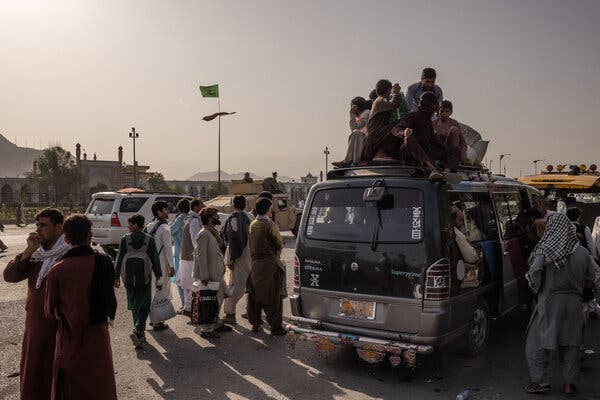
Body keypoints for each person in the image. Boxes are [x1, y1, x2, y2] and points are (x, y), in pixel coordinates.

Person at [524, 213, 599, 396]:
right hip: (574, 304)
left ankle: (541, 382)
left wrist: (536, 288)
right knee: (571, 344)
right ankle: (569, 384)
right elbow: (593, 277)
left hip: (549, 303)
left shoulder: (545, 249)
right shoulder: (582, 252)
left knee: (537, 343)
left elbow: (534, 271)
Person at [44, 214, 117, 400]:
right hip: (98, 339)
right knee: (101, 389)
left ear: (66, 239)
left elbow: (49, 312)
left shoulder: (57, 271)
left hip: (70, 342)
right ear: (90, 236)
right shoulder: (103, 262)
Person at [3, 208, 69, 400]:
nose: (38, 230)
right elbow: (10, 276)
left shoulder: (67, 255)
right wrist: (28, 250)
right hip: (35, 329)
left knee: (56, 378)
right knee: (33, 376)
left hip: (57, 329)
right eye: (37, 225)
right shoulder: (37, 256)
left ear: (59, 228)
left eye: (44, 225)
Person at [114, 214, 163, 347]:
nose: (128, 227)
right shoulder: (149, 240)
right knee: (144, 305)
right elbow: (155, 259)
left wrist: (116, 276)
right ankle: (139, 330)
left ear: (136, 225)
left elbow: (119, 259)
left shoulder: (125, 239)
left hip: (128, 278)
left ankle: (139, 333)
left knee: (134, 304)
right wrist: (159, 275)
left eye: (130, 224)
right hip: (145, 278)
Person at [246, 197, 287, 335]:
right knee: (273, 297)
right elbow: (279, 242)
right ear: (268, 209)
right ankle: (275, 327)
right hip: (270, 265)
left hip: (256, 266)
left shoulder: (253, 224)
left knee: (255, 296)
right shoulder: (270, 224)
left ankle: (255, 323)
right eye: (270, 208)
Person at [398, 91, 462, 175]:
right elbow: (396, 129)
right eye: (433, 107)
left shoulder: (428, 121)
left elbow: (433, 139)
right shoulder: (412, 116)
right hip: (412, 152)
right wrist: (404, 132)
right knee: (409, 138)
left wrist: (447, 149)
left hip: (426, 152)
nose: (434, 111)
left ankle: (447, 172)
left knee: (455, 149)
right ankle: (431, 168)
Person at [192, 207, 232, 338]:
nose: (217, 218)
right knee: (209, 301)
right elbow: (201, 256)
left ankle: (216, 323)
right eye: (215, 216)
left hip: (215, 272)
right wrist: (204, 276)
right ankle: (207, 329)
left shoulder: (212, 233)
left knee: (217, 299)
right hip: (209, 275)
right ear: (209, 218)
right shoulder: (204, 234)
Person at [221, 195, 254, 324]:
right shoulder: (250, 217)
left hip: (238, 256)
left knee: (235, 285)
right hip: (250, 255)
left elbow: (234, 241)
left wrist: (231, 259)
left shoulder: (234, 218)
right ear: (245, 204)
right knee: (249, 285)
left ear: (233, 205)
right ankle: (251, 311)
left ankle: (230, 313)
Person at [145, 201, 175, 331]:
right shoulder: (164, 228)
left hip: (150, 263)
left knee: (153, 290)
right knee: (161, 291)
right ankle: (157, 321)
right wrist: (171, 266)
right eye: (165, 209)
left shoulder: (149, 226)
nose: (167, 212)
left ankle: (153, 319)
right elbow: (168, 249)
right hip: (161, 263)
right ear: (159, 212)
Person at [361, 79, 404, 161]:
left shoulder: (379, 100)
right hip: (376, 135)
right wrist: (396, 93)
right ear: (388, 89)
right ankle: (380, 153)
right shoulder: (380, 100)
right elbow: (394, 104)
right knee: (398, 125)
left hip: (377, 133)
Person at [176, 199, 204, 316]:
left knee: (187, 284)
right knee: (191, 284)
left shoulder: (189, 218)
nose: (203, 206)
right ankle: (190, 308)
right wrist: (200, 255)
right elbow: (195, 240)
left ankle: (188, 308)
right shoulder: (194, 221)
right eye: (201, 205)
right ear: (196, 207)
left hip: (186, 256)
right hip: (191, 257)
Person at [170, 198, 190, 308]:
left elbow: (170, 231)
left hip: (180, 254)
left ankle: (184, 305)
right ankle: (189, 304)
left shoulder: (180, 219)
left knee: (180, 280)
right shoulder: (192, 218)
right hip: (190, 254)